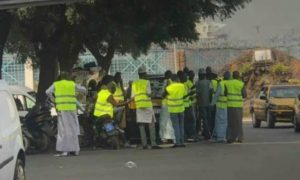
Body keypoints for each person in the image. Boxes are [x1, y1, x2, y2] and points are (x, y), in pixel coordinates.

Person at [46, 71, 86, 157]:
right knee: (73, 129)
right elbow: (83, 90)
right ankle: (75, 150)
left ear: (60, 77)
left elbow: (47, 92)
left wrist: (53, 99)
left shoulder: (56, 84)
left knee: (63, 130)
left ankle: (65, 150)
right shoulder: (72, 84)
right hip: (72, 109)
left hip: (62, 110)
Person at [93, 75, 130, 148]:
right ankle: (124, 142)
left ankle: (96, 144)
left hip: (99, 116)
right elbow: (116, 104)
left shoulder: (101, 92)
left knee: (96, 129)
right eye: (113, 90)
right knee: (115, 127)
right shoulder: (109, 95)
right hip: (107, 116)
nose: (114, 91)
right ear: (110, 88)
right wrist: (127, 102)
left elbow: (95, 98)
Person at [132, 65, 161, 149]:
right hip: (147, 105)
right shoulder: (147, 82)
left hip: (139, 106)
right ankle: (153, 144)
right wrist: (154, 92)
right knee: (151, 124)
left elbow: (132, 96)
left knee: (141, 125)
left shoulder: (134, 83)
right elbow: (149, 94)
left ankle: (144, 144)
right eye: (146, 73)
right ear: (144, 74)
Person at [163, 74, 186, 147]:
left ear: (171, 80)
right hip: (181, 108)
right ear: (177, 79)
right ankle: (182, 142)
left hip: (173, 109)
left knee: (176, 126)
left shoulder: (169, 88)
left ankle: (178, 142)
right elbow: (184, 95)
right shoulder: (182, 86)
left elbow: (163, 95)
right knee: (181, 126)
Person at [226, 71, 247, 143]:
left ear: (232, 76)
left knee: (230, 123)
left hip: (229, 105)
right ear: (239, 76)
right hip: (238, 106)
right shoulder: (241, 84)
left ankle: (230, 138)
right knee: (238, 122)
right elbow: (244, 95)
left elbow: (225, 93)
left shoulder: (228, 83)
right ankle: (240, 138)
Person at [210, 71, 231, 143]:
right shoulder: (230, 83)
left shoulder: (221, 84)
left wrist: (212, 104)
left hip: (221, 105)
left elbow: (216, 95)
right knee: (226, 122)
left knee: (220, 121)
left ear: (224, 77)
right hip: (229, 106)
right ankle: (222, 135)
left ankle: (220, 137)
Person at [178, 70, 196, 142]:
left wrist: (190, 96)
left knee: (191, 121)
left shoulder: (185, 84)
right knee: (186, 122)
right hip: (184, 107)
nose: (186, 78)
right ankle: (186, 136)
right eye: (185, 77)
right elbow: (182, 97)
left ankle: (190, 135)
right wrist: (189, 94)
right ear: (181, 77)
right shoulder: (179, 85)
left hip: (188, 105)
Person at [196, 68, 213, 140]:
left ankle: (206, 134)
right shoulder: (209, 82)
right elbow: (211, 91)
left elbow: (197, 93)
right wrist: (210, 101)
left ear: (200, 75)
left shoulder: (198, 83)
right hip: (208, 103)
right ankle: (209, 132)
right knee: (209, 118)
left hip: (201, 104)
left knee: (204, 119)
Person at [159, 70, 175, 143]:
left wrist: (162, 95)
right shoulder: (172, 82)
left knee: (163, 121)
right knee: (170, 121)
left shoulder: (166, 81)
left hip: (165, 104)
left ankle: (164, 138)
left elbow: (164, 92)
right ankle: (171, 137)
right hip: (171, 104)